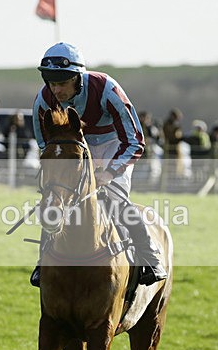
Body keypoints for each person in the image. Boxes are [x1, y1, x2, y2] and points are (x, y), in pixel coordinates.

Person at [31, 41, 167, 287]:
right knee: (55, 199)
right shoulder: (43, 101)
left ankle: (150, 258)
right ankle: (43, 263)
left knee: (114, 198)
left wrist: (110, 172)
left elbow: (135, 141)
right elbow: (45, 145)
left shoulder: (106, 89)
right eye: (51, 83)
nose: (56, 90)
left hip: (114, 146)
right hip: (74, 148)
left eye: (62, 83)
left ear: (78, 78)